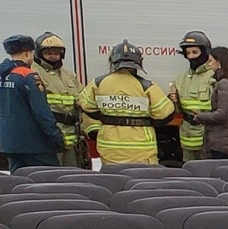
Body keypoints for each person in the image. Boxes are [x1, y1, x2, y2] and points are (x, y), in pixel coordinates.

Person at [79, 40, 177, 166]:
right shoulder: (147, 86)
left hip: (110, 148)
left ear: (112, 62)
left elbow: (85, 105)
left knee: (113, 177)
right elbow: (165, 113)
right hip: (141, 150)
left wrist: (107, 116)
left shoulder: (98, 83)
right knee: (144, 177)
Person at [0, 35, 62, 170]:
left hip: (9, 144)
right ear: (27, 53)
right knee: (48, 178)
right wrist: (56, 136)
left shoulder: (3, 75)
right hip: (35, 145)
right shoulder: (29, 76)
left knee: (18, 179)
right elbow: (41, 112)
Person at [31, 32, 83, 164]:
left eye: (56, 53)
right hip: (47, 138)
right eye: (48, 53)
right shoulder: (33, 72)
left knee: (73, 173)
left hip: (71, 139)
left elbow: (82, 97)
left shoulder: (69, 75)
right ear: (39, 53)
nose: (53, 56)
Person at [172, 30, 222, 163]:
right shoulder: (180, 78)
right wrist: (174, 102)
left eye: (195, 52)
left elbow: (223, 108)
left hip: (208, 136)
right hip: (187, 136)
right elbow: (179, 110)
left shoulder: (214, 76)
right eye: (188, 53)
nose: (191, 56)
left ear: (205, 52)